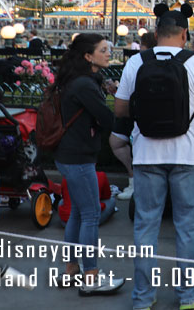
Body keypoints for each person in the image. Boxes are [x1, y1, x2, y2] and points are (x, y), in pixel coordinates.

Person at [114, 8, 194, 310]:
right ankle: (188, 295)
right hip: (189, 155)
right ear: (185, 34)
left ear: (156, 31)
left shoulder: (136, 62)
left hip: (147, 154)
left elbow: (120, 110)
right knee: (188, 227)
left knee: (146, 227)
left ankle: (143, 297)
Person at [52, 33, 124, 295]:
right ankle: (91, 276)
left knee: (79, 214)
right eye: (103, 50)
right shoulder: (84, 85)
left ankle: (71, 271)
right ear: (88, 56)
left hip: (70, 155)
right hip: (79, 157)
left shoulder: (78, 81)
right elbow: (107, 118)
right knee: (91, 214)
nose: (108, 54)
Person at [111, 31, 155, 202]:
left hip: (138, 116)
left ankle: (134, 183)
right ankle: (134, 182)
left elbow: (120, 107)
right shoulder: (184, 61)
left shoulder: (136, 62)